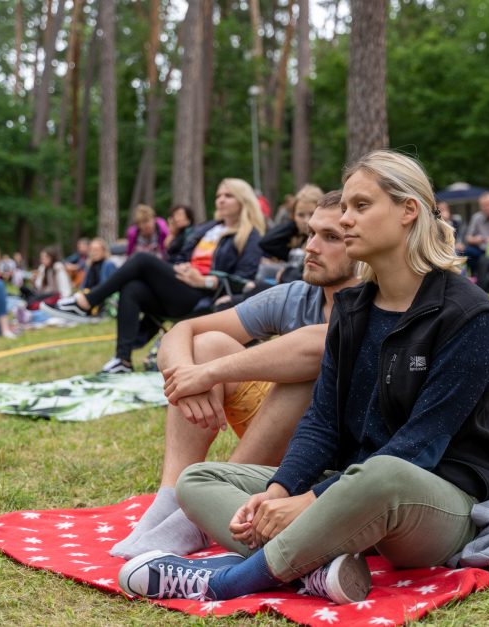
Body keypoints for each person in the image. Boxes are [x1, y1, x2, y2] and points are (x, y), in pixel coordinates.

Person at [117, 150, 489, 606]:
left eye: (361, 207)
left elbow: (420, 447)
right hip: (346, 489)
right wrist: (278, 491)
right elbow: (322, 422)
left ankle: (226, 582)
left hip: (435, 497)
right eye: (344, 208)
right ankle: (319, 567)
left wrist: (310, 501)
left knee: (385, 474)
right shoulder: (353, 312)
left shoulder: (468, 316)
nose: (347, 219)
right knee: (199, 479)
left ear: (408, 210)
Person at [109, 191, 360, 560]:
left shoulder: (377, 301)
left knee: (306, 375)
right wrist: (186, 376)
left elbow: (320, 345)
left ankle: (205, 507)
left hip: (336, 459)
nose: (311, 247)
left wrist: (207, 374)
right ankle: (170, 500)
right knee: (207, 343)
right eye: (309, 234)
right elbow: (183, 331)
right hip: (285, 440)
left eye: (331, 237)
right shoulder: (297, 295)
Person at [46, 178, 267, 374]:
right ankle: (122, 359)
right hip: (179, 287)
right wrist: (181, 267)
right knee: (132, 287)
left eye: (228, 195)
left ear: (242, 200)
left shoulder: (250, 236)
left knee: (142, 259)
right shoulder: (208, 228)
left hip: (204, 295)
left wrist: (206, 280)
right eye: (219, 195)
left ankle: (86, 301)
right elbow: (180, 256)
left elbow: (244, 280)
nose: (220, 200)